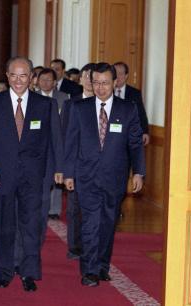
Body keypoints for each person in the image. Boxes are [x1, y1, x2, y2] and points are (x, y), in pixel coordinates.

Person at [63, 62, 145, 287]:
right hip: (86, 175)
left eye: (105, 83)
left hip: (115, 177)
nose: (100, 88)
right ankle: (89, 270)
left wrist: (138, 172)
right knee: (90, 223)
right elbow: (70, 143)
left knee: (108, 223)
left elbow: (135, 144)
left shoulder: (127, 108)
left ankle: (102, 266)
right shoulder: (80, 108)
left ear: (115, 82)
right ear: (90, 82)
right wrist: (68, 173)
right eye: (96, 83)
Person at [0, 56, 63, 292]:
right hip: (3, 175)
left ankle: (29, 272)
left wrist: (58, 170)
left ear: (32, 78)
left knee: (31, 227)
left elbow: (55, 140)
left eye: (24, 75)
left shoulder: (45, 105)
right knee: (4, 227)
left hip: (34, 176)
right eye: (14, 75)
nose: (18, 80)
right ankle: (4, 271)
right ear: (7, 76)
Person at [61, 63, 96, 260]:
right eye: (86, 76)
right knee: (75, 209)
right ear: (80, 79)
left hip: (98, 167)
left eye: (94, 77)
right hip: (76, 165)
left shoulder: (105, 105)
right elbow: (66, 137)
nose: (90, 81)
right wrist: (66, 170)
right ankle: (75, 247)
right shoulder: (70, 104)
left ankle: (92, 247)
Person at [36, 68, 69, 221]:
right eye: (42, 79)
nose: (45, 83)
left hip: (57, 139)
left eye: (49, 80)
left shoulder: (63, 97)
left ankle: (54, 210)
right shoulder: (33, 97)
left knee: (56, 177)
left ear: (55, 83)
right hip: (38, 142)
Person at [113, 61, 150, 145]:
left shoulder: (135, 93)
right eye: (115, 73)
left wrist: (145, 132)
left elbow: (141, 113)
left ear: (126, 76)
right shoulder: (106, 92)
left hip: (129, 134)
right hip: (110, 135)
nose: (117, 77)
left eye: (120, 74)